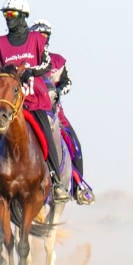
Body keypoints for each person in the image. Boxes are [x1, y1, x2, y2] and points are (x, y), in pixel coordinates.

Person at [0, 0, 69, 204]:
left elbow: (46, 64)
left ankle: (56, 181)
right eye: (6, 14)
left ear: (23, 17)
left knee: (48, 130)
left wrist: (30, 71)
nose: (8, 19)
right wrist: (6, 78)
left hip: (34, 100)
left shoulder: (37, 40)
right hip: (8, 102)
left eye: (12, 14)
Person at [29, 19, 95, 205]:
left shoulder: (58, 61)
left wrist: (58, 92)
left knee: (76, 145)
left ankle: (78, 187)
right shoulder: (26, 63)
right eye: (37, 36)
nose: (41, 39)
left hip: (56, 114)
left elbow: (68, 83)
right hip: (31, 111)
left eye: (44, 36)